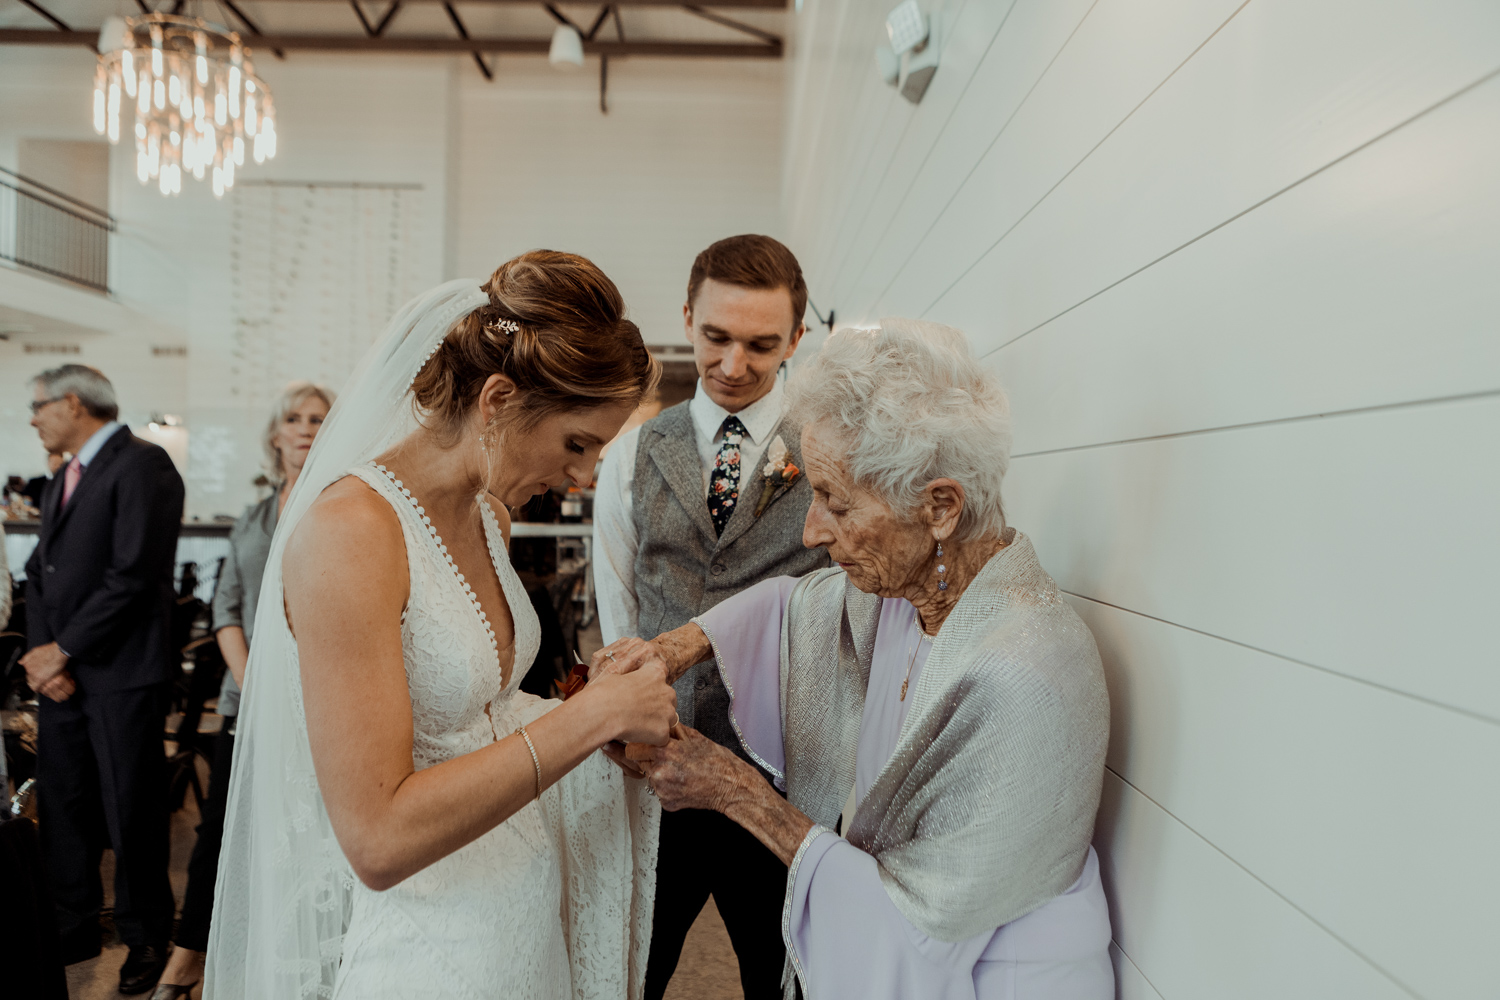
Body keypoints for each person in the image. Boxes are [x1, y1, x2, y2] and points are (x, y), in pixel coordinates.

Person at [596, 321, 1115, 1000]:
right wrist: (673, 648)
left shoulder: (1021, 673)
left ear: (939, 507)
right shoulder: (909, 593)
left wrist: (734, 791)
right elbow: (795, 605)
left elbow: (921, 928)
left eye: (835, 503)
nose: (812, 531)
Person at [206, 254, 678, 1000]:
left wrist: (597, 705)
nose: (584, 476)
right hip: (427, 947)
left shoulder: (489, 516)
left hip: (518, 916)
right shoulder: (350, 533)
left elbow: (477, 719)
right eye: (577, 443)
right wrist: (590, 719)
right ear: (498, 399)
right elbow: (379, 839)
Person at [591, 234, 829, 999]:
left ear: (797, 337)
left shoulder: (829, 450)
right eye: (717, 336)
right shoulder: (631, 456)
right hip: (660, 772)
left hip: (785, 778)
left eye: (761, 345)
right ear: (688, 317)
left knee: (783, 979)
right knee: (633, 972)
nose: (733, 364)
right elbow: (620, 610)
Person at [152, 382, 334, 999]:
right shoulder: (253, 517)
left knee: (305, 835)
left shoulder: (341, 502)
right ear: (275, 434)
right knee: (222, 831)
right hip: (247, 699)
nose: (305, 428)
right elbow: (226, 607)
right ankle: (188, 958)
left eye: (318, 418)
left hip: (320, 699)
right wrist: (254, 683)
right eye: (294, 418)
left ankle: (289, 962)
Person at [20, 364, 185, 995]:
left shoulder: (144, 464)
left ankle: (146, 935)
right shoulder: (64, 475)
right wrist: (44, 657)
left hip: (121, 674)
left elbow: (133, 575)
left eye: (39, 406)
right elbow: (39, 573)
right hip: (64, 675)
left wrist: (62, 650)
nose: (33, 419)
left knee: (129, 808)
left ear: (72, 402)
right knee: (63, 802)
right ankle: (74, 923)